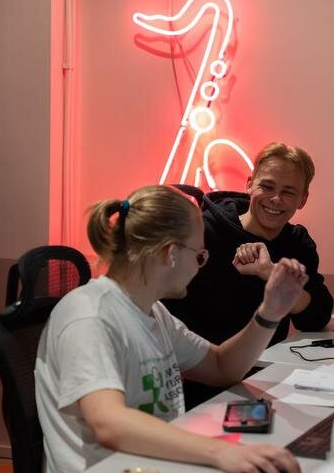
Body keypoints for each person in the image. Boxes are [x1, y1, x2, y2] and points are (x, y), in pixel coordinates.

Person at [35, 185, 307, 473]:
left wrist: (270, 312)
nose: (199, 267)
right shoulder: (89, 316)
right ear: (171, 254)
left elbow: (221, 367)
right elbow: (109, 424)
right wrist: (220, 451)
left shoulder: (153, 312)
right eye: (199, 256)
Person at [166, 141, 333, 347]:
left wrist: (272, 274)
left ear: (303, 199)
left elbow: (317, 316)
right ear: (250, 184)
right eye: (267, 187)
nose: (276, 198)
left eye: (288, 192)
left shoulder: (297, 243)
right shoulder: (202, 233)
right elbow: (163, 308)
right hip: (196, 362)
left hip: (265, 364)